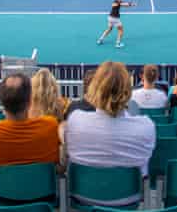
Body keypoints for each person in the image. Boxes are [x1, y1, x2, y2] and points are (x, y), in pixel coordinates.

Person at [64, 62, 156, 207]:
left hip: (82, 200)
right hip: (128, 201)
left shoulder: (75, 120)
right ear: (127, 90)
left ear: (95, 89)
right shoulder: (146, 127)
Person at [0, 73, 60, 174]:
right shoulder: (50, 126)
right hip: (42, 189)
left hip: (1, 189)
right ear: (30, 102)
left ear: (2, 103)